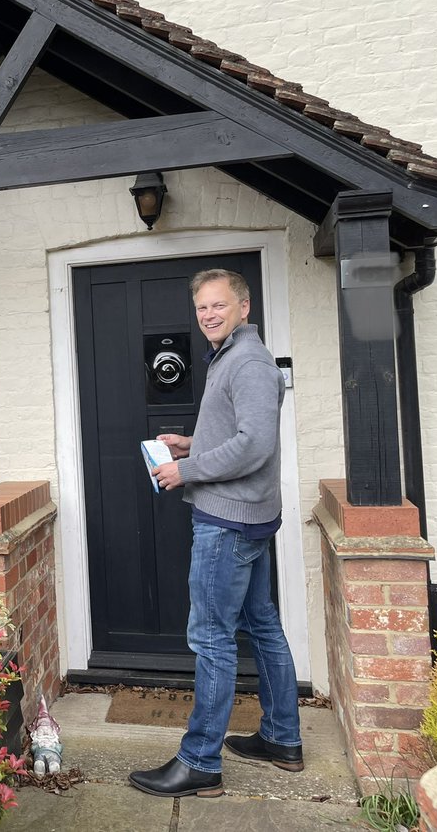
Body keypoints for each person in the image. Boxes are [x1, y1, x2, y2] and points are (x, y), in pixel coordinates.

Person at [129, 269, 303, 799]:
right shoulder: (230, 357)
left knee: (211, 638)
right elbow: (236, 431)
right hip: (247, 518)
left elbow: (255, 444)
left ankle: (200, 761)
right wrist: (190, 443)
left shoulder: (247, 361)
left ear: (244, 308)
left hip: (227, 523)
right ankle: (281, 738)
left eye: (219, 306)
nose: (209, 315)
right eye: (203, 307)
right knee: (261, 624)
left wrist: (189, 470)